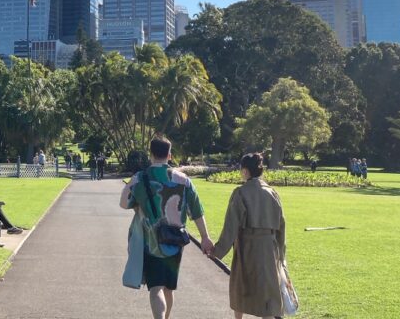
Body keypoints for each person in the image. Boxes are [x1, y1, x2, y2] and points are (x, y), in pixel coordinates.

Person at [121, 136, 214, 319]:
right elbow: (196, 211)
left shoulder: (141, 178)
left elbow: (124, 204)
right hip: (174, 242)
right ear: (169, 154)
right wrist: (205, 237)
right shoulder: (183, 180)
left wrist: (130, 184)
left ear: (151, 154)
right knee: (169, 287)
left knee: (155, 288)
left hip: (151, 241)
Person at [209, 153, 287, 319]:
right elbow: (281, 225)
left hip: (247, 247)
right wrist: (281, 253)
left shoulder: (240, 193)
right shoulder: (273, 193)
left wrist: (216, 251)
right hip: (269, 247)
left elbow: (230, 227)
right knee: (267, 291)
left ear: (245, 171)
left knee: (241, 289)